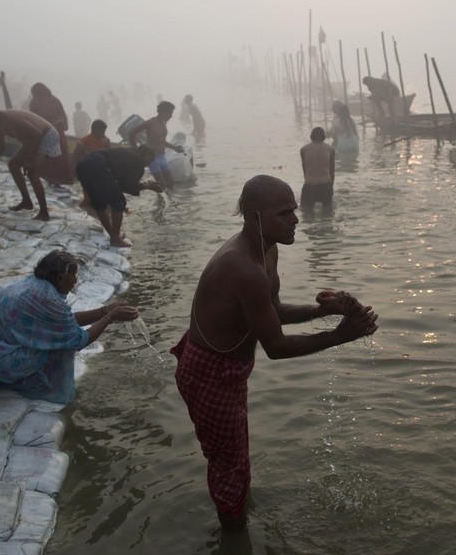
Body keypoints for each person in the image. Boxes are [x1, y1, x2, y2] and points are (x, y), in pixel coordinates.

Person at [171, 175, 378, 530]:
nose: (296, 220)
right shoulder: (243, 267)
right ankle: (234, 546)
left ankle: (236, 514)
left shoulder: (266, 248)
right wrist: (341, 336)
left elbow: (272, 309)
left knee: (234, 460)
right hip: (211, 373)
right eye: (284, 213)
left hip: (229, 368)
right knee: (228, 466)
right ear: (255, 219)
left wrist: (325, 311)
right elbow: (277, 347)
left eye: (294, 211)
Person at [0, 250, 139, 404]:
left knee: (58, 337)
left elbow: (63, 324)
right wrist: (110, 317)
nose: (75, 281)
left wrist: (104, 310)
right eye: (73, 275)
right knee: (61, 346)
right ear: (59, 278)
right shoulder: (46, 300)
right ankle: (50, 390)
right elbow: (78, 341)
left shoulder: (33, 285)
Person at [0, 105, 59, 220]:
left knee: (33, 173)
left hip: (46, 135)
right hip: (31, 140)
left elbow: (37, 134)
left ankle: (44, 212)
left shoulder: (10, 119)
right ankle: (26, 201)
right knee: (13, 165)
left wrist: (29, 159)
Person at [75, 145, 164, 247]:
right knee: (119, 202)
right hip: (99, 167)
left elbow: (122, 182)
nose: (150, 163)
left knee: (99, 204)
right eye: (151, 159)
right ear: (145, 154)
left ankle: (112, 234)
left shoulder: (128, 152)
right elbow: (127, 185)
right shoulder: (138, 160)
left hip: (83, 165)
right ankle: (115, 238)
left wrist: (145, 185)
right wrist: (148, 186)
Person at [127, 100, 184, 189]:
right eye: (170, 113)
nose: (171, 116)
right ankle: (161, 202)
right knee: (162, 186)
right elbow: (132, 132)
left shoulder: (164, 123)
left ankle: (171, 203)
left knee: (170, 184)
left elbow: (162, 141)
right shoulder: (151, 122)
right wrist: (135, 149)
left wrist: (175, 147)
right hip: (153, 158)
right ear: (163, 112)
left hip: (162, 156)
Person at [28, 82, 73, 185]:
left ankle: (56, 177)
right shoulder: (50, 100)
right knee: (53, 155)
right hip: (48, 130)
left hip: (48, 130)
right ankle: (55, 177)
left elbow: (33, 117)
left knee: (52, 155)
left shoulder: (38, 101)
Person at [300, 127, 335, 210]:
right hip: (325, 184)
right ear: (324, 136)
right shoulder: (330, 149)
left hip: (310, 184)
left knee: (307, 215)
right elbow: (332, 171)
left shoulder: (304, 149)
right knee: (327, 215)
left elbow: (305, 170)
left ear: (311, 136)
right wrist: (331, 186)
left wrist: (307, 181)